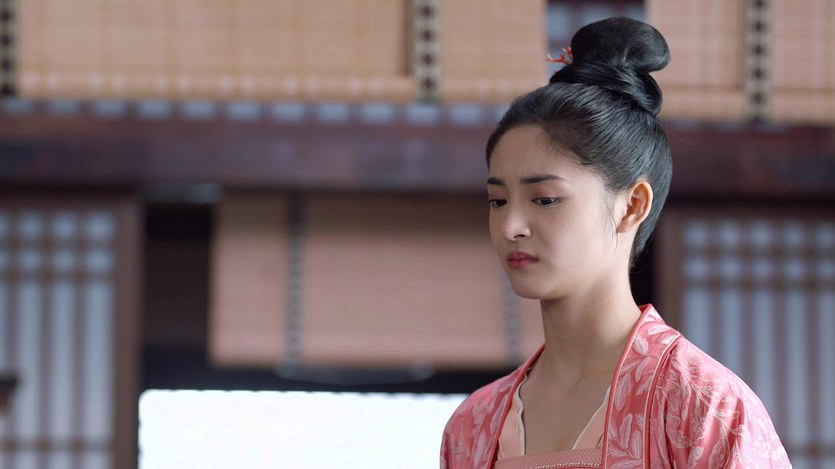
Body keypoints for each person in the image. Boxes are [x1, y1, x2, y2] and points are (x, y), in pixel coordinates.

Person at [440, 17, 791, 469]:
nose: (511, 226)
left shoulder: (702, 405)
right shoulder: (473, 424)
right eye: (498, 201)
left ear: (632, 205)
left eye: (545, 199)